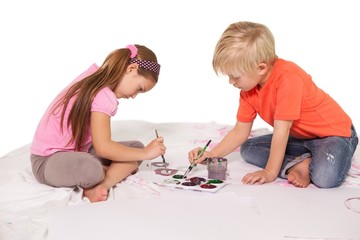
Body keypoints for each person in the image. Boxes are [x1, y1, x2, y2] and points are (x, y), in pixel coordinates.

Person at [188, 21, 358, 188]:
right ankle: (302, 161)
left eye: (236, 76)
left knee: (325, 177)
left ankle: (308, 161)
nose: (231, 81)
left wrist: (270, 172)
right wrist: (211, 155)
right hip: (300, 137)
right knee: (248, 148)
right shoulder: (248, 90)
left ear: (260, 68)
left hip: (334, 135)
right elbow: (240, 131)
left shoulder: (288, 79)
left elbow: (281, 130)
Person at [30, 44, 166, 202]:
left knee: (135, 147)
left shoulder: (94, 76)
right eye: (139, 88)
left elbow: (99, 146)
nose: (135, 96)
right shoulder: (104, 95)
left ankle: (101, 186)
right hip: (47, 161)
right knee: (93, 169)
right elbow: (103, 147)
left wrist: (140, 152)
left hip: (79, 151)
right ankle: (108, 175)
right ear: (131, 69)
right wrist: (146, 154)